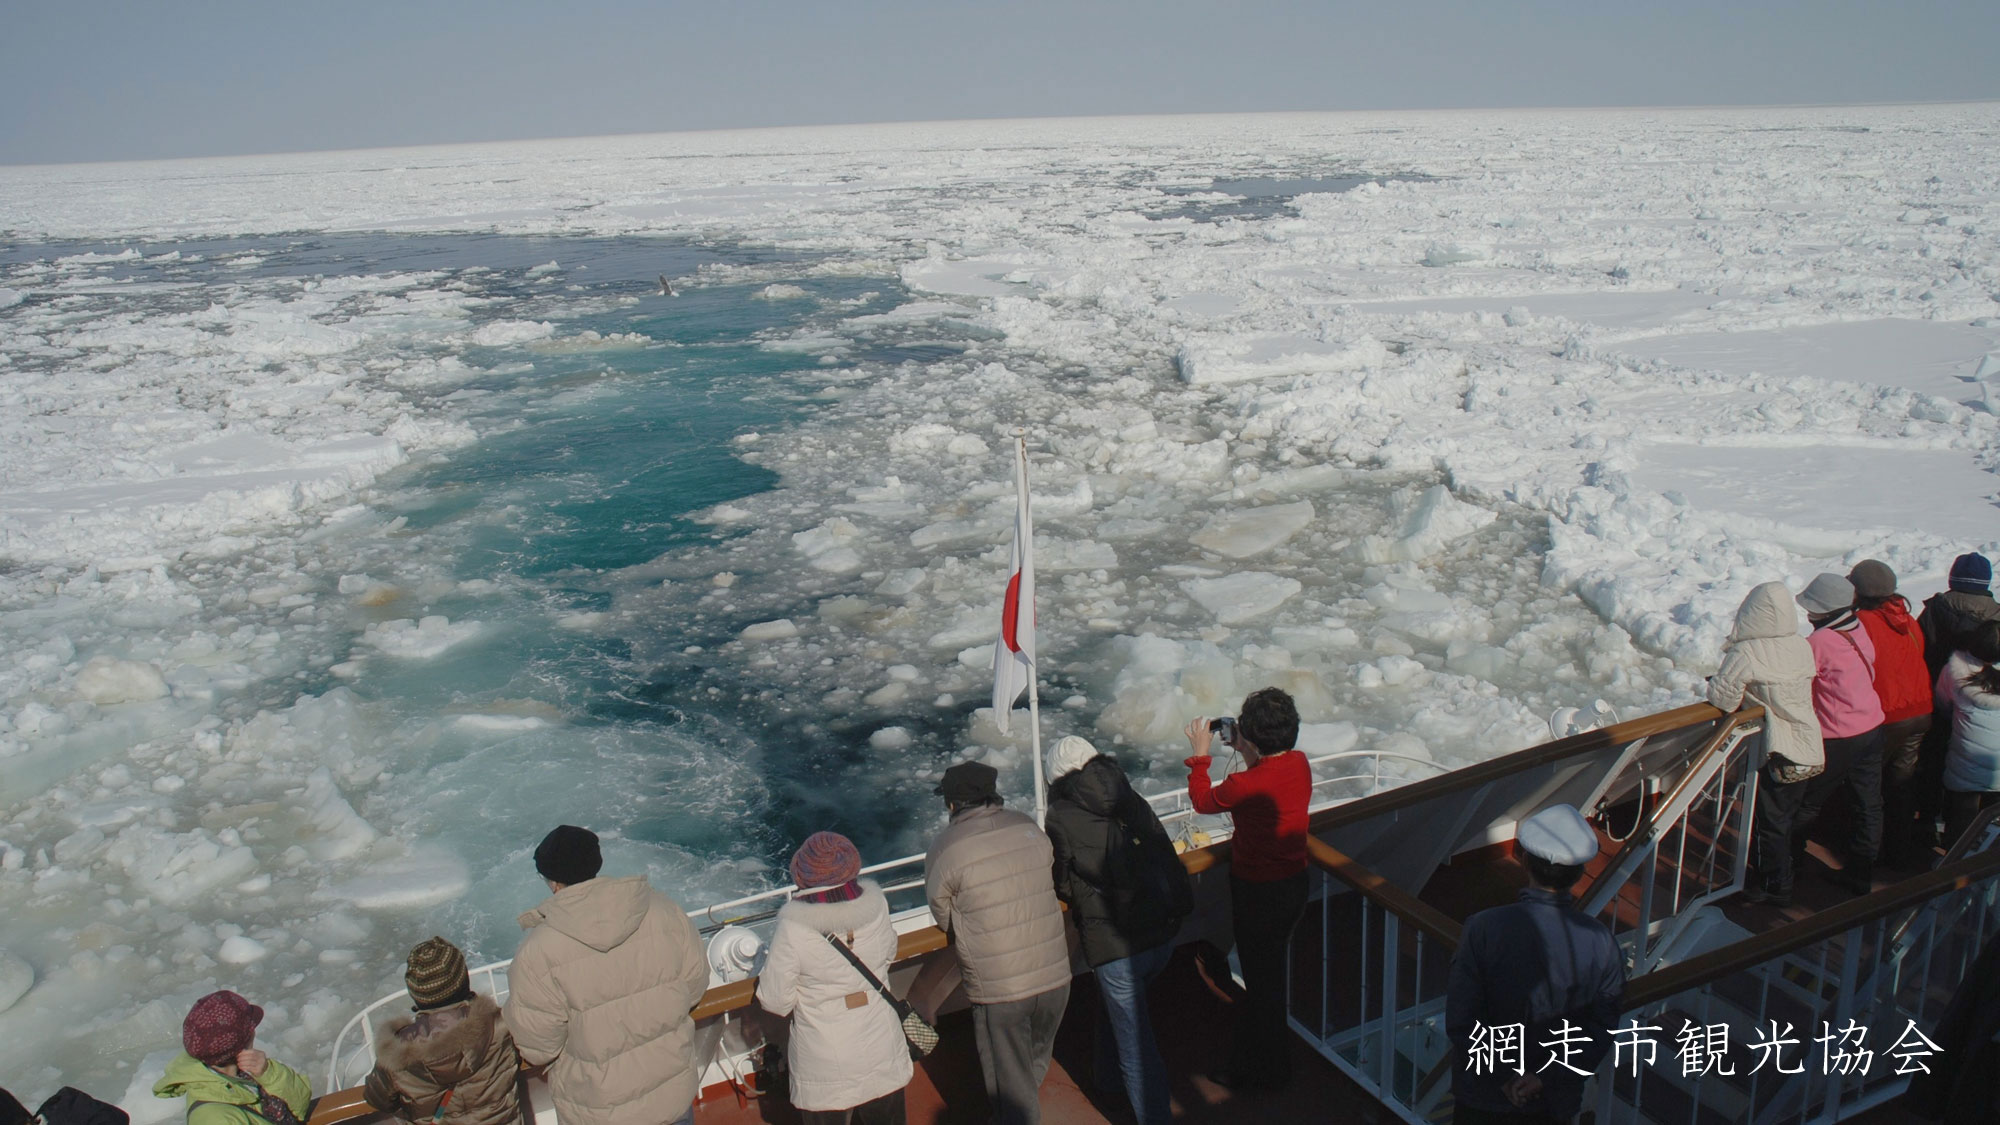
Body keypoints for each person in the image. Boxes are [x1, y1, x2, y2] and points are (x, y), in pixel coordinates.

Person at [505, 825, 710, 1125]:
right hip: (671, 1098)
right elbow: (694, 985)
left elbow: (539, 1047)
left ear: (552, 882)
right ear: (595, 863)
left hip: (598, 1111)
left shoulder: (536, 952)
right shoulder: (663, 910)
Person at [1043, 736, 1192, 1125]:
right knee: (1120, 1016)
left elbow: (1060, 882)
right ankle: (1107, 1085)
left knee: (1138, 1051)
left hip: (1117, 949)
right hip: (1162, 932)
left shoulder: (1060, 815)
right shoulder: (1130, 795)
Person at [1446, 805, 1626, 1125]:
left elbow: (1463, 1018)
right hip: (1553, 1102)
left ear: (1525, 860)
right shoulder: (1601, 942)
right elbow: (1600, 1028)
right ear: (1579, 871)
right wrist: (1545, 1076)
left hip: (1484, 1098)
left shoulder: (1484, 927)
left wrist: (1505, 1076)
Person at [923, 761, 1071, 1125]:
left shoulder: (945, 847)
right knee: (1033, 1062)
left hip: (1000, 990)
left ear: (953, 805)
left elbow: (943, 916)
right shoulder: (1027, 826)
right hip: (1056, 978)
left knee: (1010, 1087)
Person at [1183, 686, 1312, 1091]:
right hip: (1293, 884)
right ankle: (1267, 1061)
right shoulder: (1300, 763)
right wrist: (1246, 744)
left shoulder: (1245, 784)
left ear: (1252, 740)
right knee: (1268, 973)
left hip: (1259, 893)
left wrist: (1201, 755)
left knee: (1264, 987)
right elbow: (1269, 771)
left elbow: (1204, 801)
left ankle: (1264, 1071)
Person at [756, 832, 913, 1125]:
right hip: (882, 1046)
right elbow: (889, 951)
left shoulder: (793, 926)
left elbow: (776, 1001)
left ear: (803, 874)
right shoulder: (877, 905)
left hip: (826, 1063)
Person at [1708, 581, 1823, 907]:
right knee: (1786, 819)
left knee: (1770, 825)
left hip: (1780, 752)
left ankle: (1773, 887)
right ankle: (1785, 874)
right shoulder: (1800, 645)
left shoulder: (1747, 652)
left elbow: (1723, 699)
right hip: (1810, 744)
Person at [363, 937, 523, 1125]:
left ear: (417, 994)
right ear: (463, 980)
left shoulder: (397, 1054)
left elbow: (378, 1099)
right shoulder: (501, 1025)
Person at [1797, 573, 1887, 893]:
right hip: (1872, 727)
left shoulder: (1819, 642)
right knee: (1868, 803)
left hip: (1839, 735)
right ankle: (1861, 871)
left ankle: (1789, 868)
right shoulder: (1857, 627)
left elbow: (1798, 679)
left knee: (1807, 802)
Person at [1849, 560, 1934, 866]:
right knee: (1901, 783)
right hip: (1920, 711)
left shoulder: (1860, 623)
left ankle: (1861, 857)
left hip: (1887, 716)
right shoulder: (1907, 619)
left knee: (1866, 786)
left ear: (1859, 591)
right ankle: (1898, 851)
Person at [1917, 553, 2000, 848]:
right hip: (1988, 725)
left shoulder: (1935, 611)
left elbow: (1919, 651)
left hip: (1938, 700)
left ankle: (1929, 823)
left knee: (1934, 764)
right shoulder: (1997, 616)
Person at [153, 991, 311, 1125]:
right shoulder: (215, 1119)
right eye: (251, 1029)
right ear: (240, 1044)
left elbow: (300, 1106)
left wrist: (270, 1073)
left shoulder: (244, 1074)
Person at [1935, 621, 2000, 845]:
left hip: (1966, 765)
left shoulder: (1954, 672)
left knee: (1961, 825)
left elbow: (1942, 705)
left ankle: (1953, 870)